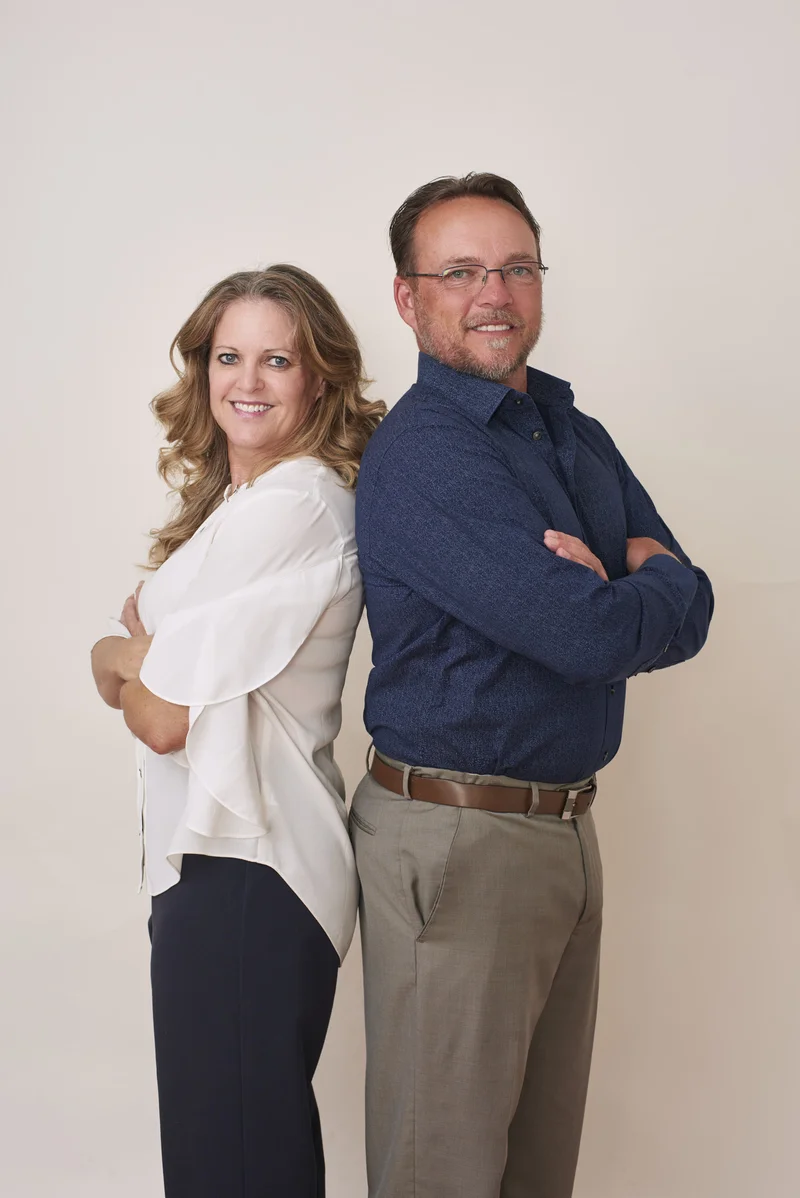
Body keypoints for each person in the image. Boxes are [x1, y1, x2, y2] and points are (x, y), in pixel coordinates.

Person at [351, 173, 714, 1198]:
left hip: (561, 832)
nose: (494, 294)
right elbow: (585, 630)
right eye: (460, 272)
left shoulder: (570, 431)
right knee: (442, 1174)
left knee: (535, 1173)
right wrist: (632, 587)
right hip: (460, 844)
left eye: (515, 268)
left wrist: (639, 587)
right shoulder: (428, 452)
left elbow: (691, 601)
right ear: (407, 297)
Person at [90, 265, 384, 1198]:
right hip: (210, 863)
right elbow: (141, 680)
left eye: (277, 360)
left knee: (238, 1166)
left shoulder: (300, 506)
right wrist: (130, 655)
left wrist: (118, 651)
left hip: (252, 866)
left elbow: (163, 717)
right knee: (217, 1160)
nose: (247, 381)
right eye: (228, 356)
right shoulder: (238, 509)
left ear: (319, 379)